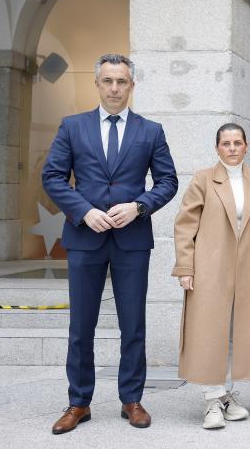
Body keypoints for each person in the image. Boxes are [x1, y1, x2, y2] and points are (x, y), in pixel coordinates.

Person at [43, 53, 178, 434]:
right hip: (85, 238)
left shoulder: (150, 131)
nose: (115, 88)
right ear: (97, 83)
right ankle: (78, 402)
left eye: (122, 81)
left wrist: (139, 206)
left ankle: (132, 399)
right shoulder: (72, 127)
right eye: (108, 81)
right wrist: (83, 211)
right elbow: (53, 177)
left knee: (133, 324)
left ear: (132, 85)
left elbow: (167, 181)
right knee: (80, 325)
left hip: (132, 241)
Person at [172, 123, 250, 429]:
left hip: (247, 270)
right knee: (208, 333)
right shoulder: (203, 180)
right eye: (226, 143)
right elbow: (185, 226)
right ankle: (212, 401)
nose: (232, 148)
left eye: (237, 143)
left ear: (246, 147)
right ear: (217, 148)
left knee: (237, 334)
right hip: (209, 268)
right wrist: (185, 268)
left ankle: (224, 395)